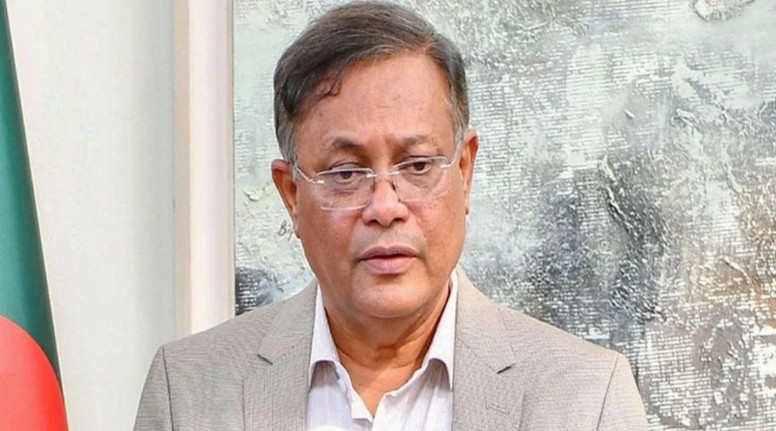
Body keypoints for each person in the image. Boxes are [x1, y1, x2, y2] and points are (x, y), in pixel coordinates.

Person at [134, 2, 649, 429]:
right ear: (291, 194)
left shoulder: (585, 399)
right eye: (345, 173)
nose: (384, 207)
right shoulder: (190, 393)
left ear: (464, 172)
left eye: (418, 165)